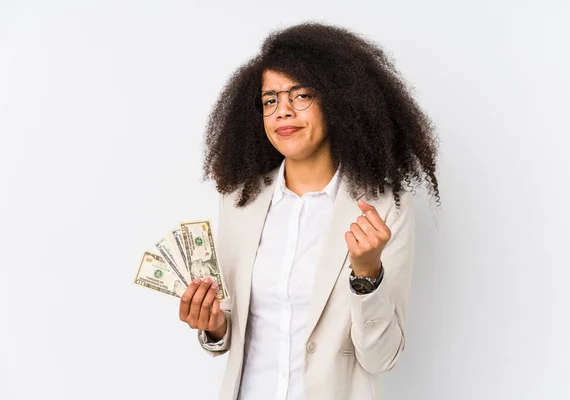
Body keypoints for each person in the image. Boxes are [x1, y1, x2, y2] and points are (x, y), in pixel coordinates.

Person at [178, 21, 440, 400]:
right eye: (271, 100)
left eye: (300, 96)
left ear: (337, 101)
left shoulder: (384, 208)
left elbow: (381, 357)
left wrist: (367, 275)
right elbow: (233, 329)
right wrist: (215, 326)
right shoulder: (239, 201)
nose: (283, 111)